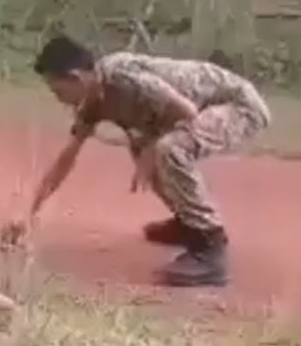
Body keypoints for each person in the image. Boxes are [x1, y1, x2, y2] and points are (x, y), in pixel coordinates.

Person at [24, 35, 271, 287]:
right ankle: (189, 223)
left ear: (76, 78)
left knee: (167, 148)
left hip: (238, 106)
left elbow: (186, 111)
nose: (57, 98)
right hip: (193, 113)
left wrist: (149, 153)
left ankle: (210, 247)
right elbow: (67, 158)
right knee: (145, 147)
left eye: (57, 90)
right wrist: (28, 214)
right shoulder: (92, 102)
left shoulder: (122, 78)